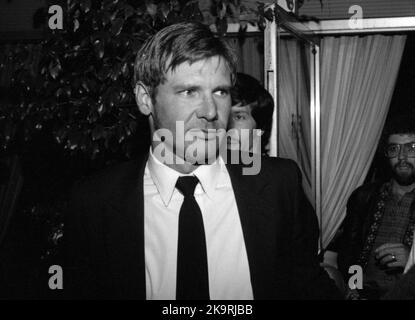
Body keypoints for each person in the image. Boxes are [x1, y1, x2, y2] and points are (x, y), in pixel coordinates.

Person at [65, 22, 340, 300]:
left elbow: (308, 286)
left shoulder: (278, 185)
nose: (210, 111)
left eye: (220, 92)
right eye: (189, 92)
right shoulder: (95, 202)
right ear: (145, 99)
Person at [327, 113, 415, 299]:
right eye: (394, 149)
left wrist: (411, 260)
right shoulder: (365, 197)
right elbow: (351, 251)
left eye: (411, 148)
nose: (401, 157)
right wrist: (354, 287)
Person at [227, 72, 274, 154]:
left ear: (260, 127)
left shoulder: (282, 166)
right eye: (224, 116)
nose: (228, 126)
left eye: (239, 117)